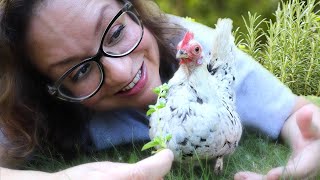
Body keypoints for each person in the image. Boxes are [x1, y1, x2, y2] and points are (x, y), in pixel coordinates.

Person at [0, 0, 319, 179]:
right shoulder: (26, 106)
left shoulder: (197, 50)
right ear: (48, 89)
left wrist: (307, 137)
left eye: (116, 33)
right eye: (81, 70)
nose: (121, 71)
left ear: (134, 11)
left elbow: (293, 112)